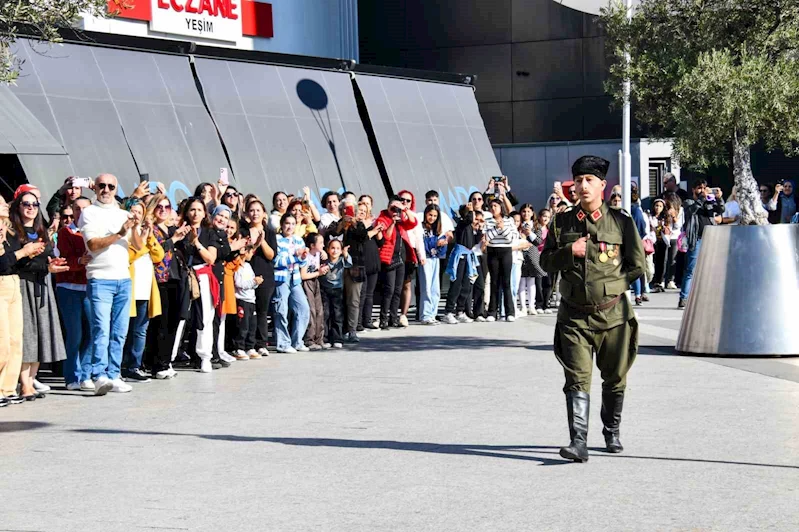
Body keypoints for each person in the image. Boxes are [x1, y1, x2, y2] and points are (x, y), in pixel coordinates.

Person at [541, 155, 646, 463]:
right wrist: (565, 252)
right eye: (578, 180)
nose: (582, 186)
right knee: (577, 379)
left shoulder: (621, 222)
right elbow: (545, 261)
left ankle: (611, 431)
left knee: (615, 377)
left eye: (589, 180)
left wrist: (612, 286)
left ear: (603, 185)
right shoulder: (562, 222)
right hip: (574, 316)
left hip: (613, 316)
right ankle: (578, 441)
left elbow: (637, 265)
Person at [80, 174, 137, 395]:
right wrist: (120, 233)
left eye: (111, 186)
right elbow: (93, 244)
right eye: (101, 185)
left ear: (115, 189)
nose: (106, 189)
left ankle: (114, 374)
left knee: (120, 331)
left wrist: (141, 226)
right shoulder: (89, 212)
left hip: (123, 278)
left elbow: (137, 244)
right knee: (101, 330)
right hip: (100, 279)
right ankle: (99, 375)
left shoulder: (124, 214)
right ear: (94, 187)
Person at [0, 210, 44, 406]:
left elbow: (15, 263)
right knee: (2, 342)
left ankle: (8, 389)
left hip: (13, 283)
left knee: (16, 340)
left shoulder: (10, 232)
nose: (4, 206)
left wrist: (33, 257)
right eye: (1, 203)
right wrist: (22, 252)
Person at [175, 197, 223, 372]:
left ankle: (205, 357)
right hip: (182, 275)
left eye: (199, 210)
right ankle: (170, 358)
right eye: (192, 209)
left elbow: (211, 258)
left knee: (205, 318)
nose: (195, 213)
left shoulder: (210, 233)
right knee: (179, 317)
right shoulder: (178, 231)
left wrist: (196, 242)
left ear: (205, 213)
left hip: (202, 276)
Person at [146, 194, 191, 380]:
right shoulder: (151, 229)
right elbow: (155, 251)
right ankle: (157, 364)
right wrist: (174, 239)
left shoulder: (171, 228)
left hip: (176, 278)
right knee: (161, 324)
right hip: (160, 279)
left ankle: (166, 361)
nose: (163, 210)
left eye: (167, 206)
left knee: (173, 321)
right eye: (159, 207)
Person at [121, 198, 164, 382]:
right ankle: (121, 365)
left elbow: (159, 255)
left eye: (140, 212)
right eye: (134, 211)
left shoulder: (145, 232)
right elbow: (128, 256)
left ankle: (134, 366)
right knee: (124, 330)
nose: (137, 215)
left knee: (140, 330)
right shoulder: (123, 233)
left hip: (145, 289)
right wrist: (142, 245)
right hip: (129, 288)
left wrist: (149, 237)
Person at [55, 197, 94, 391]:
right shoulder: (66, 232)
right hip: (68, 288)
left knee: (92, 333)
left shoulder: (96, 231)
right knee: (75, 334)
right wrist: (80, 260)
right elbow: (65, 258)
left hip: (90, 288)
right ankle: (72, 376)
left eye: (84, 208)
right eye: (77, 209)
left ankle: (85, 374)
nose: (80, 212)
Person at [679, 179, 725, 308]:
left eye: (704, 188)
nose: (702, 191)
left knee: (711, 269)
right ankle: (684, 298)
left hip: (710, 238)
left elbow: (721, 209)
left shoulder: (709, 202)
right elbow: (691, 211)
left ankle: (709, 297)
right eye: (699, 188)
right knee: (691, 269)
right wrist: (701, 199)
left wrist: (719, 198)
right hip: (696, 238)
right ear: (693, 189)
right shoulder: (689, 202)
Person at [240, 199, 277, 357]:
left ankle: (261, 343)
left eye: (258, 210)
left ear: (263, 214)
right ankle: (246, 344)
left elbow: (271, 255)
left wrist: (261, 241)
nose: (255, 213)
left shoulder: (270, 232)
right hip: (246, 275)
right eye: (252, 210)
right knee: (247, 311)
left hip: (265, 276)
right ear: (247, 213)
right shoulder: (243, 231)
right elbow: (245, 256)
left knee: (261, 311)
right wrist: (252, 242)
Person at [375, 196, 418, 329]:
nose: (394, 211)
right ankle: (383, 318)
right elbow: (386, 237)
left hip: (401, 258)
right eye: (392, 208)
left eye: (396, 208)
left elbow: (413, 223)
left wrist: (404, 209)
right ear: (387, 207)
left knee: (398, 290)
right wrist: (392, 222)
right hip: (389, 258)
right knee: (389, 290)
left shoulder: (401, 220)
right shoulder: (382, 219)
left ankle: (393, 318)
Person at [272, 213, 310, 353]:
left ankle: (297, 341)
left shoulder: (299, 240)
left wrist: (303, 257)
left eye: (293, 224)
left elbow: (303, 262)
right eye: (287, 223)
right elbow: (276, 261)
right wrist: (295, 256)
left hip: (295, 278)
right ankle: (283, 343)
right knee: (281, 310)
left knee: (303, 308)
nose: (290, 226)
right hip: (281, 278)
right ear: (282, 225)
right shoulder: (277, 239)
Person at [442, 206, 482, 324]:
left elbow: (474, 241)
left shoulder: (470, 227)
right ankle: (448, 312)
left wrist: (479, 231)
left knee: (466, 284)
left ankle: (460, 311)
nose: (474, 218)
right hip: (460, 257)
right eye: (472, 215)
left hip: (468, 256)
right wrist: (470, 210)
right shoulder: (462, 223)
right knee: (456, 284)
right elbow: (468, 218)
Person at [484, 198, 516, 322]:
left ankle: (510, 312)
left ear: (501, 207)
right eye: (491, 206)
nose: (493, 208)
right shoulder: (488, 221)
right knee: (494, 282)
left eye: (495, 206)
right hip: (492, 252)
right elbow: (488, 238)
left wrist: (503, 227)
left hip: (506, 252)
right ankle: (492, 312)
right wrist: (497, 229)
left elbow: (510, 239)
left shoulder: (509, 220)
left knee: (506, 282)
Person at [232, 244, 263, 359]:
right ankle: (239, 348)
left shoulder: (249, 266)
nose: (252, 254)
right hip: (242, 300)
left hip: (251, 300)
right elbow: (239, 284)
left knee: (252, 325)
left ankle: (250, 347)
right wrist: (253, 282)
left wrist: (256, 282)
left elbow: (252, 282)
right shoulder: (238, 267)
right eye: (250, 252)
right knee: (242, 325)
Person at [417, 204, 447, 325]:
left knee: (435, 288)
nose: (432, 218)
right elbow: (424, 244)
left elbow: (443, 245)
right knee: (426, 287)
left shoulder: (437, 229)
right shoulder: (421, 227)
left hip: (435, 259)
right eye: (430, 215)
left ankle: (432, 313)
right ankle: (425, 314)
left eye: (435, 216)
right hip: (426, 259)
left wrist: (441, 244)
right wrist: (434, 244)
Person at [319, 239, 351, 348]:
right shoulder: (324, 260)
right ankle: (325, 338)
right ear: (327, 249)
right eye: (332, 248)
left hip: (337, 290)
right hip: (325, 290)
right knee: (326, 314)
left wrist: (346, 254)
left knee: (337, 314)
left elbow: (349, 263)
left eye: (338, 248)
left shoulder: (342, 260)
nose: (335, 251)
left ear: (341, 251)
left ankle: (337, 338)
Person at [397, 190, 421, 327]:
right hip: (394, 253)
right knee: (393, 286)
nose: (404, 202)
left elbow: (419, 239)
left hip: (409, 252)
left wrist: (421, 256)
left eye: (408, 201)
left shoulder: (413, 217)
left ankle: (403, 315)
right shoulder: (393, 213)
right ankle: (391, 313)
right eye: (402, 199)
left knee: (406, 284)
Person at [301, 233, 329, 350]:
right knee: (311, 310)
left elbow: (319, 265)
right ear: (312, 245)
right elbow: (303, 275)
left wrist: (321, 269)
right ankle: (309, 339)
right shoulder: (306, 255)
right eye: (320, 243)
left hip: (316, 281)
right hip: (307, 282)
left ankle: (319, 338)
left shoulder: (318, 253)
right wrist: (319, 273)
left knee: (319, 309)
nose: (323, 245)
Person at [357, 200, 382, 332]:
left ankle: (367, 320)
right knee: (361, 294)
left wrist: (378, 230)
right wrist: (371, 232)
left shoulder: (371, 224)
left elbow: (380, 241)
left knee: (370, 294)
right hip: (361, 262)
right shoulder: (356, 226)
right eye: (360, 210)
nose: (362, 213)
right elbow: (361, 239)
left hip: (373, 261)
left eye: (364, 211)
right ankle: (358, 322)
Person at [518, 204, 545, 315]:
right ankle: (523, 306)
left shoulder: (536, 225)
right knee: (521, 280)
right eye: (524, 211)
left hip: (532, 255)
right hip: (519, 254)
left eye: (529, 211)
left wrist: (530, 233)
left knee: (532, 281)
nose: (526, 214)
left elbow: (538, 241)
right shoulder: (517, 224)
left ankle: (532, 306)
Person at [534, 208, 553, 314]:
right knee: (538, 282)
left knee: (548, 282)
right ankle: (539, 304)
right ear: (540, 217)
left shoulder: (550, 230)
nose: (545, 218)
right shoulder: (536, 228)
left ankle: (546, 304)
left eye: (548, 217)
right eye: (544, 216)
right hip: (537, 256)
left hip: (547, 257)